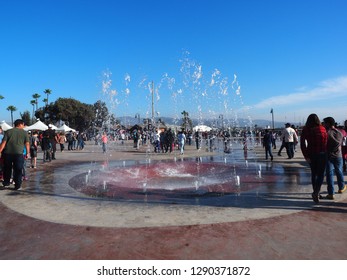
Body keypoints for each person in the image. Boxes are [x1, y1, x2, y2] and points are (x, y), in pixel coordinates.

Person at [300, 114, 328, 203]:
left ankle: (316, 192)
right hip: (322, 153)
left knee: (314, 173)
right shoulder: (322, 128)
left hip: (311, 154)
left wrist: (306, 156)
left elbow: (302, 144)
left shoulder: (306, 129)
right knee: (320, 174)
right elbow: (326, 142)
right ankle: (316, 192)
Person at [0, 119, 30, 190]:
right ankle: (17, 185)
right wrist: (27, 153)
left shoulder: (8, 132)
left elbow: (3, 143)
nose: (23, 126)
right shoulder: (24, 133)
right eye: (23, 124)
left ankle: (6, 182)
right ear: (20, 124)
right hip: (19, 154)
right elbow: (27, 144)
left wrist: (0, 151)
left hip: (7, 154)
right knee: (18, 170)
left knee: (7, 168)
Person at [323, 117, 346, 199]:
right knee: (339, 171)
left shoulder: (327, 133)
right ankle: (341, 187)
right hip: (339, 155)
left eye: (325, 123)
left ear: (328, 123)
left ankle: (331, 193)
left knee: (329, 174)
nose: (324, 124)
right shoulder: (340, 132)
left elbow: (324, 144)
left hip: (329, 155)